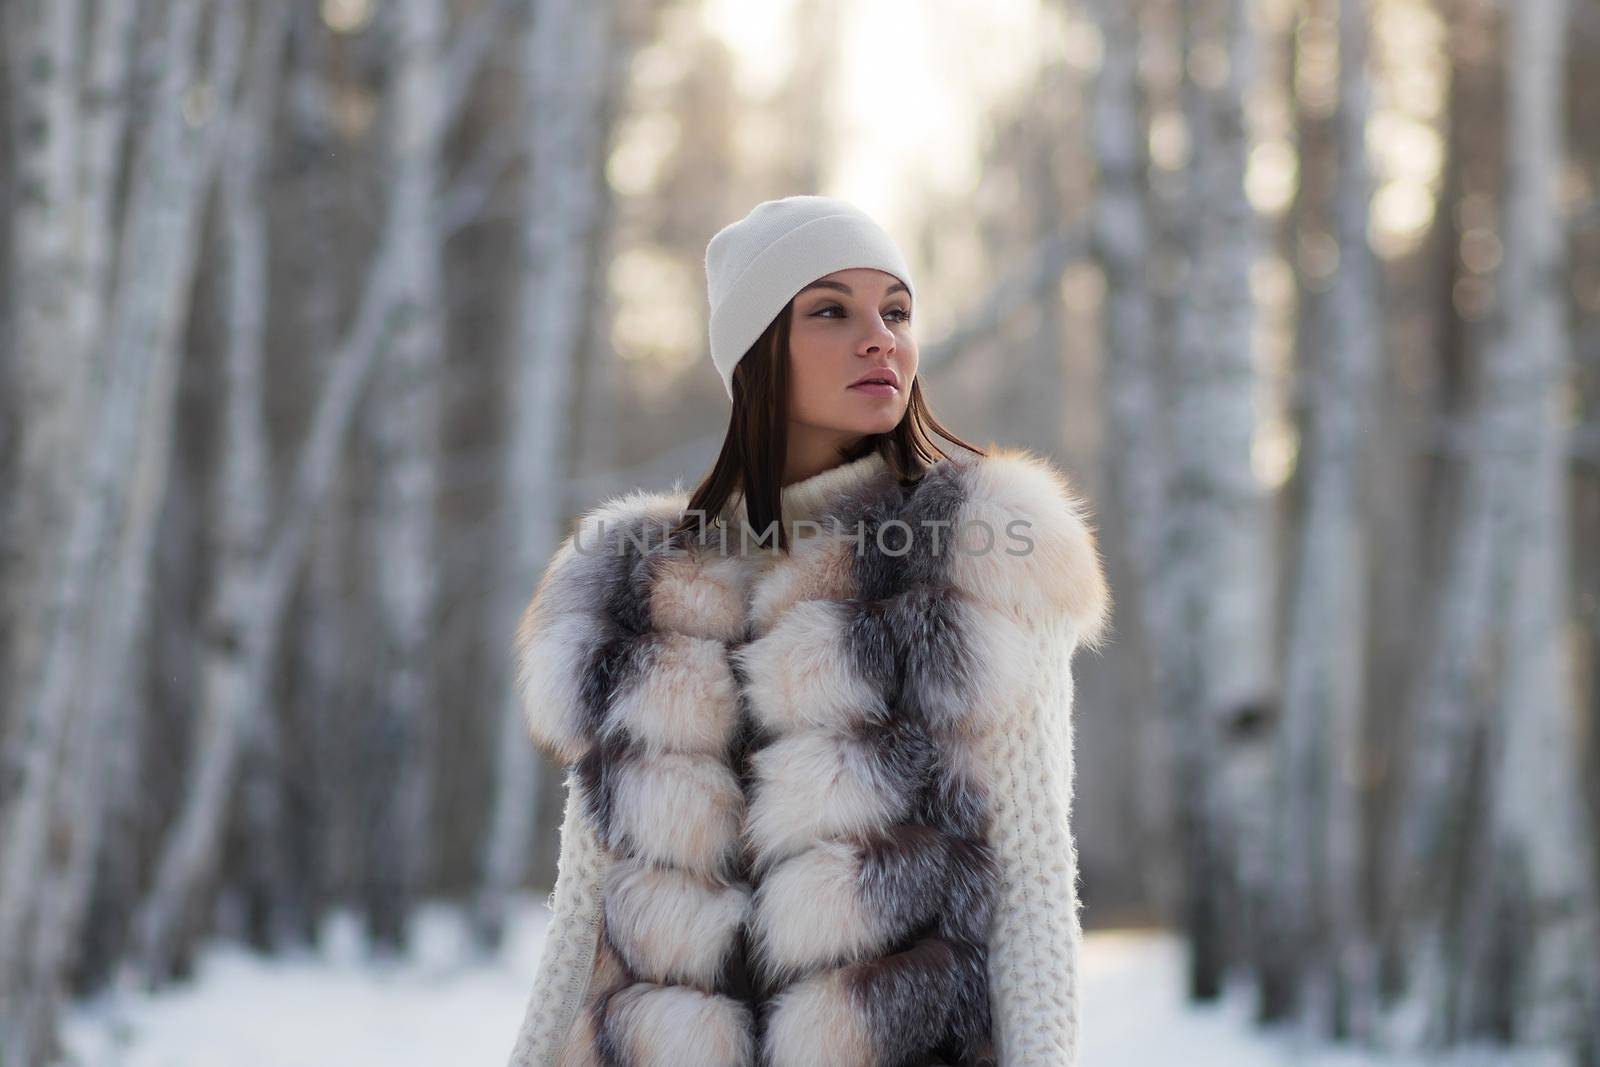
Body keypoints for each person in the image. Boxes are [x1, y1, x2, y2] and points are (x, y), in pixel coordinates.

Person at [504, 194, 1111, 1067]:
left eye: (896, 311)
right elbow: (584, 904)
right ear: (756, 351)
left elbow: (1033, 881)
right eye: (831, 310)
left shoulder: (973, 557)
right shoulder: (631, 588)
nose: (881, 337)